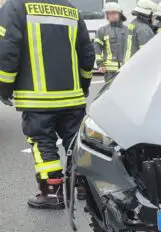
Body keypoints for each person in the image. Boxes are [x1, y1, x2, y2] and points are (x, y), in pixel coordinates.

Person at [0, 0, 95, 209]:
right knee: (75, 141)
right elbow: (87, 52)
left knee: (42, 141)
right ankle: (82, 187)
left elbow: (6, 49)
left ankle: (52, 193)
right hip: (72, 96)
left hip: (37, 97)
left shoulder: (16, 6)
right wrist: (84, 84)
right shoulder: (71, 9)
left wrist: (3, 88)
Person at [94, 2, 127, 82]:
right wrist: (99, 64)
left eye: (113, 13)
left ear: (120, 14)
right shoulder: (102, 31)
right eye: (108, 13)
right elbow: (97, 48)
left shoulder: (127, 30)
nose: (111, 15)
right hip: (110, 72)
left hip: (126, 69)